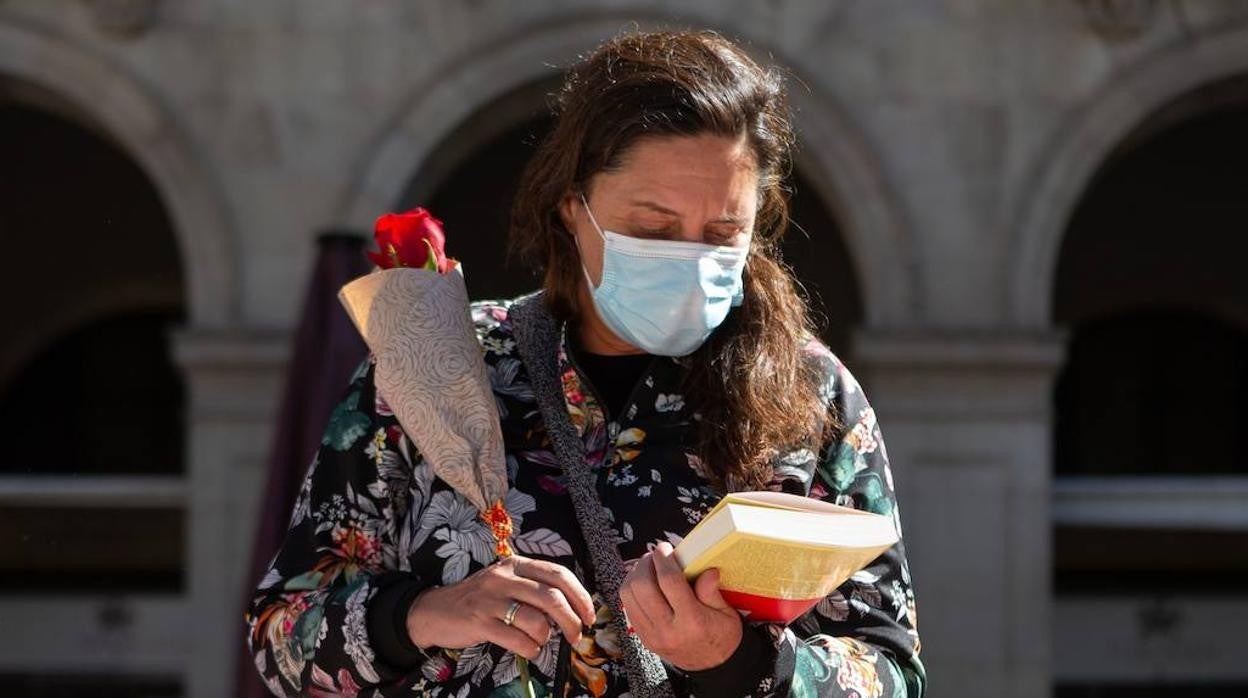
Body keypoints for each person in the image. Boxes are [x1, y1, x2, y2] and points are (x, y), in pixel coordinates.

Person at [245, 28, 925, 698]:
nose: (688, 255)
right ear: (574, 209)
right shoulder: (442, 363)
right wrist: (421, 615)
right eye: (653, 229)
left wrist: (737, 661)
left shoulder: (811, 395)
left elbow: (891, 670)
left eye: (723, 233)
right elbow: (282, 633)